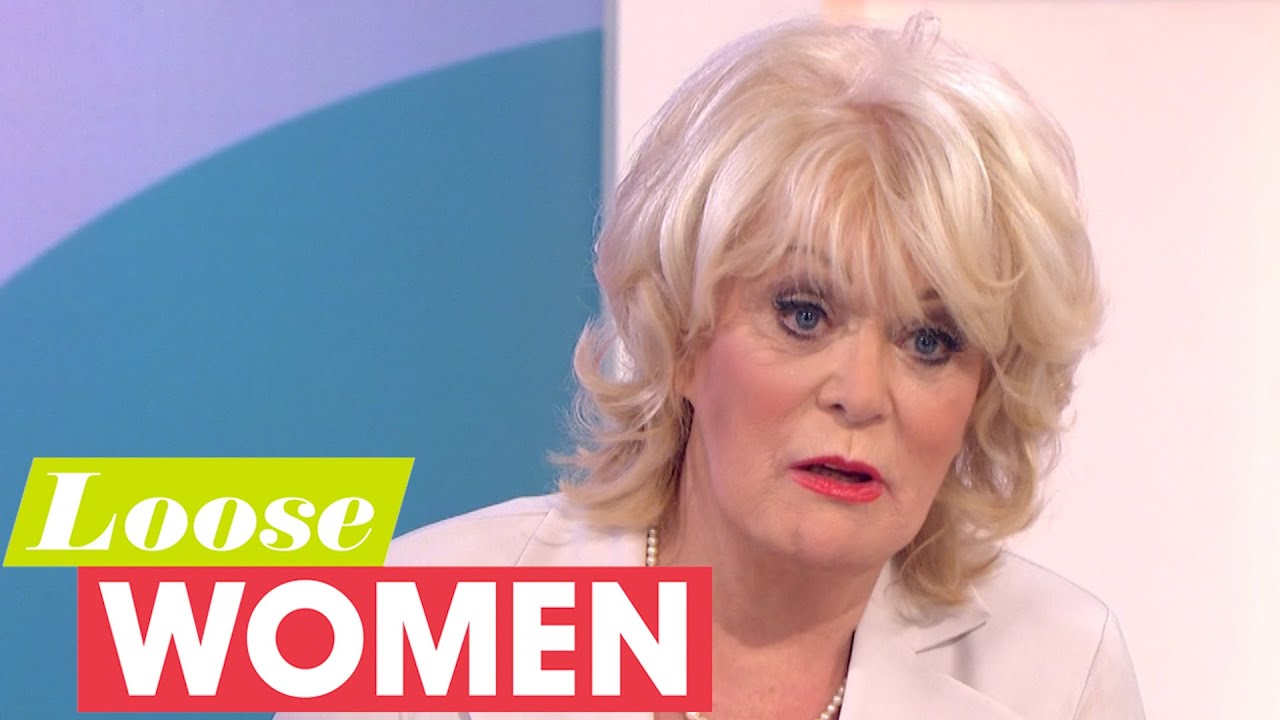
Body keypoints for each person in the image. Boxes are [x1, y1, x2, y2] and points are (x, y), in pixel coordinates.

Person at [280, 12, 1144, 720]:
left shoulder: (1058, 676)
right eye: (804, 314)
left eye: (930, 342)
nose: (860, 395)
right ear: (684, 335)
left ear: (984, 389)